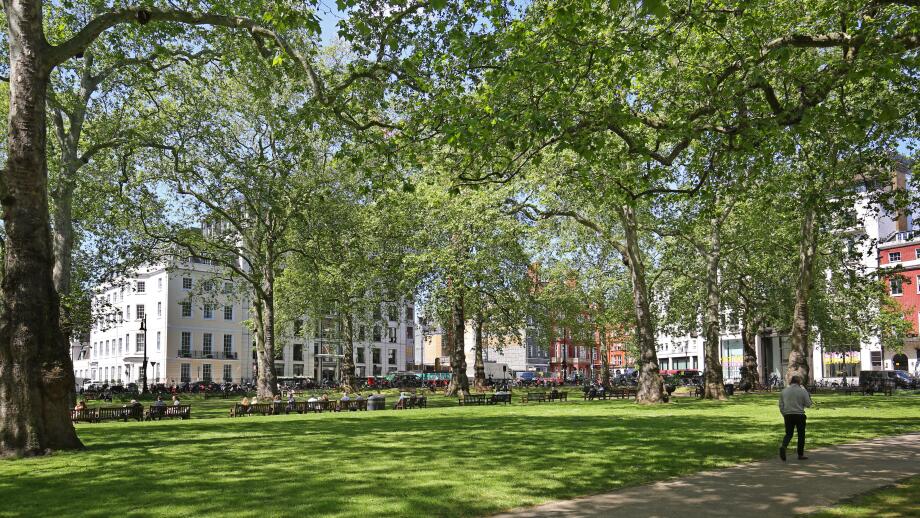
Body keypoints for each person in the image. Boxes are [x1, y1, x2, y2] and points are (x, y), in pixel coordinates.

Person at [779, 375, 813, 461]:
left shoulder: (784, 391)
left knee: (788, 434)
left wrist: (784, 414)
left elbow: (781, 405)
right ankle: (800, 454)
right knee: (801, 435)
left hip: (788, 415)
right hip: (799, 415)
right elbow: (808, 404)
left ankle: (784, 446)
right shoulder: (802, 391)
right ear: (799, 382)